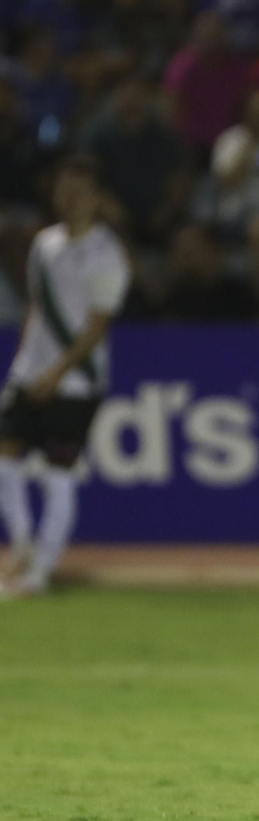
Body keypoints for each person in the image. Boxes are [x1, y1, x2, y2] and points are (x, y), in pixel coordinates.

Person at [0, 156, 130, 594]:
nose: (71, 200)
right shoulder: (43, 245)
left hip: (77, 381)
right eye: (64, 191)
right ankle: (21, 545)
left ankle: (42, 569)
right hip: (30, 372)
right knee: (4, 457)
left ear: (95, 199)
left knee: (59, 470)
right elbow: (35, 310)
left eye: (80, 192)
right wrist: (24, 365)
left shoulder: (107, 254)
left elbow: (97, 327)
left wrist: (55, 373)